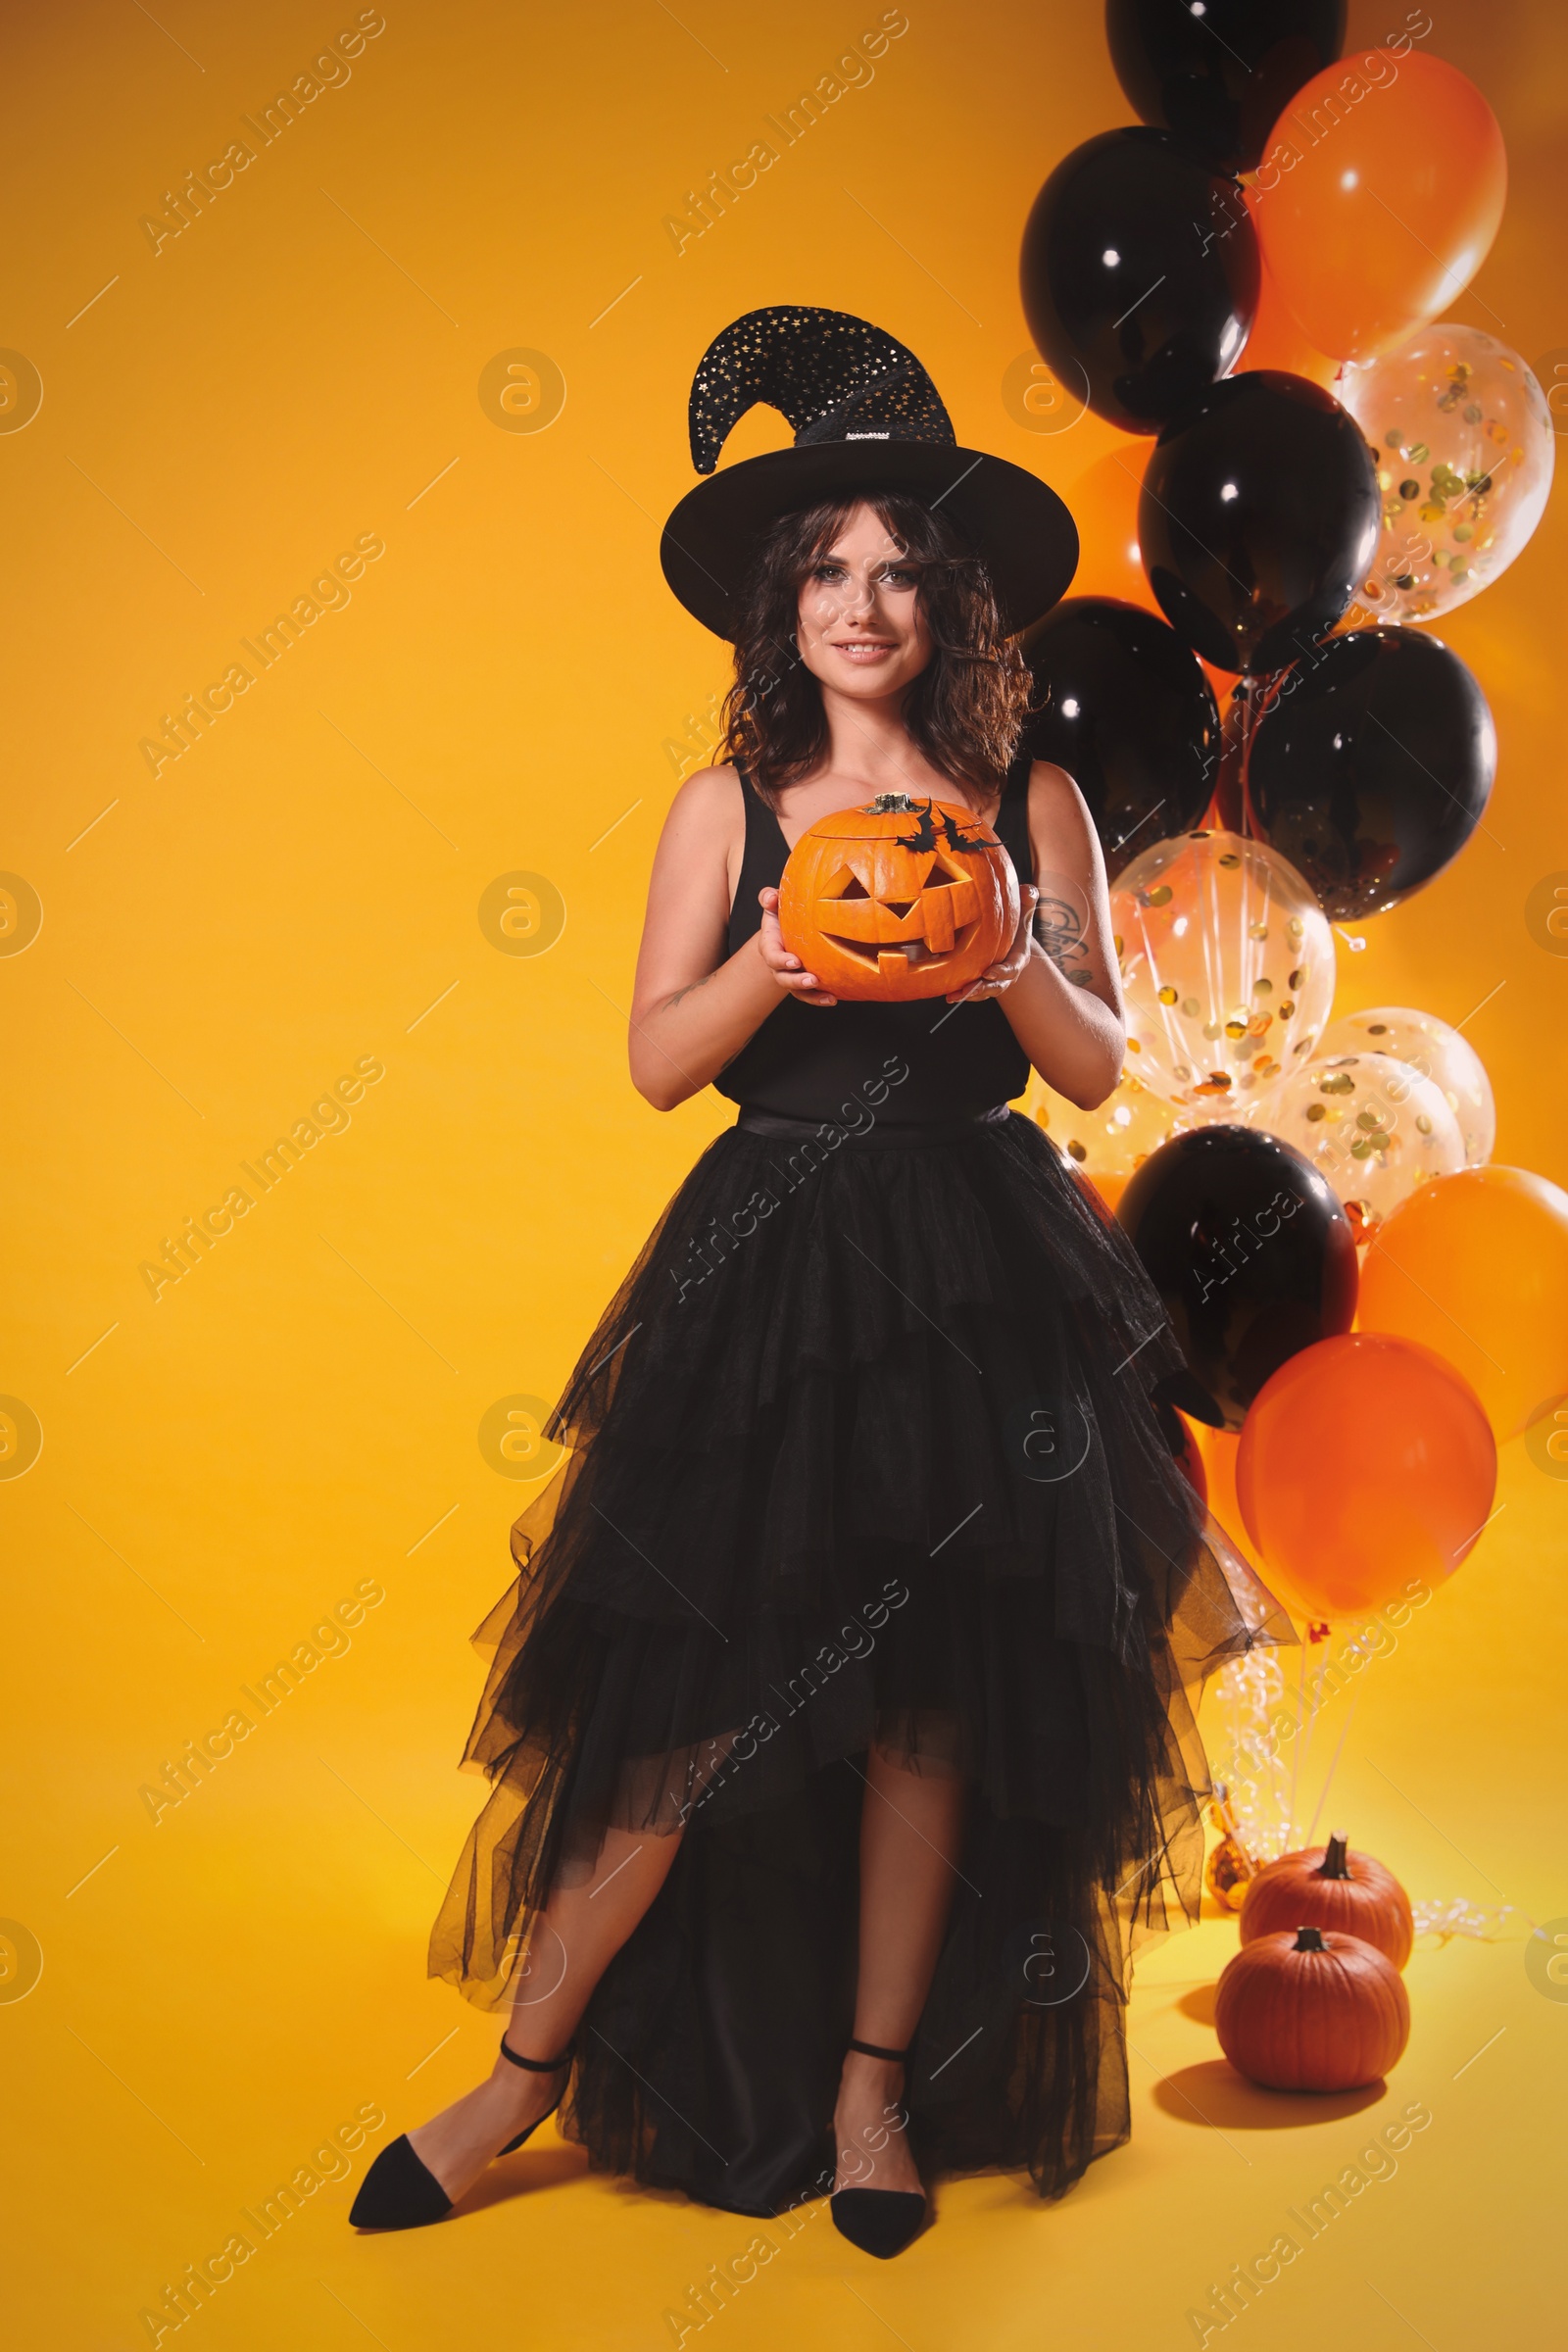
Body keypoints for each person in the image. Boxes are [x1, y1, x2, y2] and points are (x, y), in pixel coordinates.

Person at [351, 308, 1289, 2257]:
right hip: (772, 1274)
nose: (861, 603)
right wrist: (777, 957)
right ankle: (521, 2076)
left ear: (949, 604)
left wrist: (1012, 957)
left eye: (894, 570)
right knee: (690, 1709)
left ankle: (869, 2088)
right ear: (778, 608)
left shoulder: (1024, 805)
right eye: (825, 572)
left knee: (928, 1714)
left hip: (977, 1267)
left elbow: (1098, 1065)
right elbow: (653, 1062)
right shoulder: (723, 813)